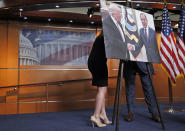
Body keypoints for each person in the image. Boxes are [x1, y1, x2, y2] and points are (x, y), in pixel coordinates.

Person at [123, 13, 161, 122]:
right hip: (129, 63)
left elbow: (148, 46)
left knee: (149, 89)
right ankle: (130, 112)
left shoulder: (145, 31)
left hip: (144, 63)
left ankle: (154, 112)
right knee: (130, 88)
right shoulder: (124, 29)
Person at [88, 32, 112, 128]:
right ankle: (96, 115)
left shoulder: (101, 36)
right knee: (102, 89)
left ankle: (103, 115)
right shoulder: (107, 36)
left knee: (101, 89)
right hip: (99, 63)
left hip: (94, 62)